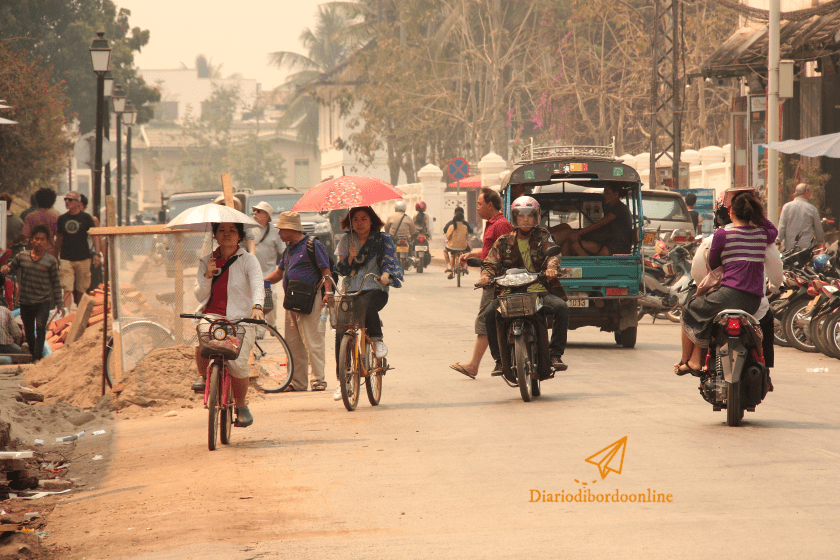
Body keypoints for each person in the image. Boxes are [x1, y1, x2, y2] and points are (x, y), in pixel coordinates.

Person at [675, 193, 777, 376]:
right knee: (705, 315)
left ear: (730, 212)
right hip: (753, 301)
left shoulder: (722, 234)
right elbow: (773, 231)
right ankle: (696, 359)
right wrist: (759, 218)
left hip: (729, 295)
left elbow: (713, 263)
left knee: (689, 309)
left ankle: (687, 361)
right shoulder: (762, 234)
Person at [479, 196, 570, 374]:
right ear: (515, 218)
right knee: (489, 313)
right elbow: (490, 263)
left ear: (536, 217)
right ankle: (498, 360)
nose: (525, 219)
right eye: (521, 216)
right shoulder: (503, 241)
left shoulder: (543, 235)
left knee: (562, 308)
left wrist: (551, 268)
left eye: (529, 215)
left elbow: (553, 254)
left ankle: (555, 354)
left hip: (538, 292)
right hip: (509, 293)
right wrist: (485, 275)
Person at [191, 222, 264, 428]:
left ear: (240, 236)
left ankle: (241, 405)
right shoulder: (207, 260)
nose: (227, 234)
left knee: (237, 362)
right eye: (222, 230)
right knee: (203, 338)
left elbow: (258, 284)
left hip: (240, 318)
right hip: (212, 315)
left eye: (232, 231)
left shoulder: (249, 260)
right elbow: (198, 294)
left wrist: (257, 306)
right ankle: (202, 376)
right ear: (215, 234)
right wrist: (207, 275)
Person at [333, 206, 403, 401]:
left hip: (376, 287)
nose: (359, 223)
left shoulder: (382, 239)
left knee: (367, 302)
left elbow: (389, 260)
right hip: (352, 290)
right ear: (350, 222)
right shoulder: (347, 240)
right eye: (355, 219)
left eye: (363, 218)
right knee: (340, 330)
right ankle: (342, 382)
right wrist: (350, 257)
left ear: (371, 220)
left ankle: (377, 339)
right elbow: (341, 269)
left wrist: (386, 276)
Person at [264, 211, 332, 392]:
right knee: (293, 344)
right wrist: (261, 281)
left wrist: (328, 293)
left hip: (311, 300)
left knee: (313, 341)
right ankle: (298, 382)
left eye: (281, 230)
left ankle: (318, 380)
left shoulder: (313, 245)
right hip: (291, 301)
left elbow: (326, 271)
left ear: (290, 229)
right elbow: (279, 274)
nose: (279, 234)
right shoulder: (289, 250)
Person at [449, 187, 512, 379]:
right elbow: (491, 251)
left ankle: (474, 365)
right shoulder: (493, 224)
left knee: (486, 319)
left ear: (490, 205)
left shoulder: (500, 225)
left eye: (479, 204)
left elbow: (506, 254)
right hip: (491, 278)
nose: (476, 208)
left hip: (495, 280)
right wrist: (472, 255)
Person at [0, 225, 63, 362]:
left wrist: (60, 304)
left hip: (43, 301)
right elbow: (11, 268)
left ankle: (37, 357)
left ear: (47, 242)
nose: (39, 242)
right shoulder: (22, 257)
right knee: (28, 331)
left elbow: (56, 284)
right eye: (36, 239)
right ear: (31, 240)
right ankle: (34, 353)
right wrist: (5, 268)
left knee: (40, 328)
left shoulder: (51, 261)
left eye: (42, 239)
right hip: (26, 301)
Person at [550, 183, 633, 256]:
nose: (604, 195)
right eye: (604, 192)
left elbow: (599, 224)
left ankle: (588, 267)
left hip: (616, 248)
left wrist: (578, 233)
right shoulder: (613, 208)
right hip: (606, 243)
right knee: (567, 230)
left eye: (607, 193)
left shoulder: (620, 208)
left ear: (616, 194)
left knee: (572, 242)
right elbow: (601, 230)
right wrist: (580, 235)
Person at [55, 191, 100, 310]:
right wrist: (55, 256)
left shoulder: (86, 218)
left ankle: (80, 314)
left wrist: (97, 254)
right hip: (66, 258)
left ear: (78, 202)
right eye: (66, 200)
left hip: (83, 257)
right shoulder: (62, 219)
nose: (67, 202)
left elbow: (95, 237)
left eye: (70, 200)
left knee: (81, 289)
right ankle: (66, 314)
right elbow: (59, 238)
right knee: (67, 288)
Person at [251, 201, 285, 328]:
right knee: (254, 301)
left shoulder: (275, 231)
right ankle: (259, 328)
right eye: (255, 210)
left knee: (272, 300)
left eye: (259, 211)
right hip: (252, 272)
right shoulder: (248, 229)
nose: (255, 213)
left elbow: (283, 251)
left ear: (266, 216)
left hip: (269, 273)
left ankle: (271, 325)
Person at [778, 183, 824, 251]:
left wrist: (778, 241)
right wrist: (820, 242)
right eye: (810, 192)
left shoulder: (786, 207)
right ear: (806, 192)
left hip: (790, 250)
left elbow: (782, 227)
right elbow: (818, 229)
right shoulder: (812, 209)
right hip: (806, 250)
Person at [21, 188, 59, 257]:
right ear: (52, 201)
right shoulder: (55, 217)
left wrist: (14, 241)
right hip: (49, 253)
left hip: (33, 252)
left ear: (38, 199)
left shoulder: (31, 216)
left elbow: (24, 235)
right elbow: (59, 237)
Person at [79, 194, 102, 293]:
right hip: (76, 257)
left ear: (84, 207)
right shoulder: (68, 221)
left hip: (90, 256)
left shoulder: (91, 220)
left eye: (79, 206)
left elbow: (98, 239)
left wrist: (102, 256)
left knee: (93, 286)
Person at [443, 207, 473, 279]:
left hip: (452, 246)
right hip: (463, 246)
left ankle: (449, 267)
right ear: (463, 217)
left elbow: (447, 235)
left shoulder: (451, 225)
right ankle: (465, 266)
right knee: (467, 252)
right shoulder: (465, 225)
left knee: (448, 252)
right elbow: (467, 234)